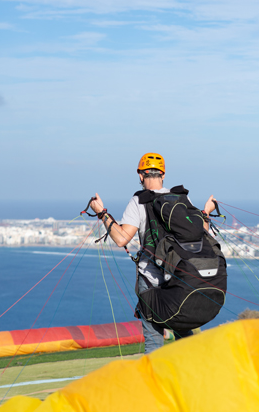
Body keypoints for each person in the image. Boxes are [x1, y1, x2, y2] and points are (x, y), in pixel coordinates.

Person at [89, 152, 219, 354]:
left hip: (151, 279)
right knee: (184, 336)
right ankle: (191, 379)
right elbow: (201, 231)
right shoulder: (181, 197)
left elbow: (122, 238)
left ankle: (156, 383)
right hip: (179, 278)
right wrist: (206, 212)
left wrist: (102, 213)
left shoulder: (138, 201)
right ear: (163, 175)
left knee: (154, 342)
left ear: (140, 176)